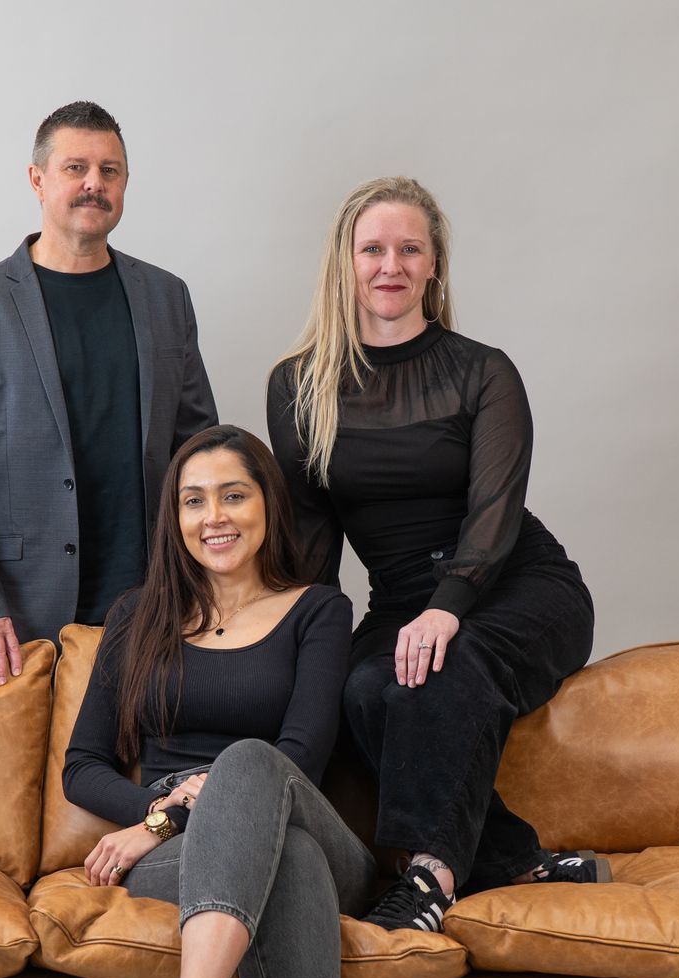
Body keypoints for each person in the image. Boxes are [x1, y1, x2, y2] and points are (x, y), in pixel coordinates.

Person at [63, 425, 428, 978]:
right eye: (194, 500)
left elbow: (298, 756)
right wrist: (164, 817)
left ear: (267, 504)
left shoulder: (317, 611)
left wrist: (193, 795)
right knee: (280, 862)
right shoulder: (137, 615)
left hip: (305, 820)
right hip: (187, 855)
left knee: (255, 767)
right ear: (175, 518)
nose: (213, 516)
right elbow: (81, 766)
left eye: (234, 494)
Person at [267, 176, 603, 935]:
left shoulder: (483, 371)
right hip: (399, 602)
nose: (391, 265)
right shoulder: (298, 387)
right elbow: (313, 547)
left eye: (410, 249)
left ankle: (430, 877)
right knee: (355, 692)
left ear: (434, 266)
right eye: (373, 249)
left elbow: (495, 514)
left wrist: (446, 610)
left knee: (440, 674)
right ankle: (514, 857)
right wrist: (298, 647)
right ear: (344, 264)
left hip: (515, 583)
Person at [0, 100, 217, 686]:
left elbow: (199, 448)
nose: (93, 185)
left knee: (143, 770)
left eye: (110, 171)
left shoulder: (165, 297)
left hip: (153, 599)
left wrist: (208, 582)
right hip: (21, 610)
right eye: (76, 167)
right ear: (38, 179)